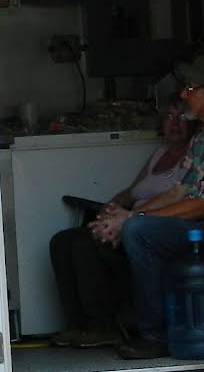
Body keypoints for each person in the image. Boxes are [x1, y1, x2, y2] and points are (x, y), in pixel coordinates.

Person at [93, 52, 204, 360]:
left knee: (139, 231)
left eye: (190, 89)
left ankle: (155, 335)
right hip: (197, 228)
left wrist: (134, 218)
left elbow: (203, 206)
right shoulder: (203, 137)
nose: (183, 95)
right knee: (128, 229)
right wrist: (126, 215)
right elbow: (180, 190)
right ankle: (113, 324)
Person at [47, 96, 196, 348]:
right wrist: (108, 213)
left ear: (193, 122)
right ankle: (77, 325)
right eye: (170, 117)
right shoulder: (160, 154)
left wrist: (126, 219)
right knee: (63, 241)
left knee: (86, 244)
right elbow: (131, 192)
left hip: (153, 226)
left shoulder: (194, 156)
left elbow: (179, 196)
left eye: (182, 117)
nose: (175, 123)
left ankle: (104, 327)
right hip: (130, 219)